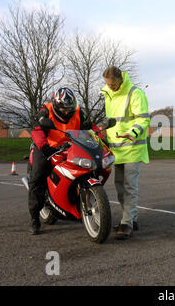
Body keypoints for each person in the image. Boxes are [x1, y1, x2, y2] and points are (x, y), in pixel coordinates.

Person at [28, 87, 97, 235]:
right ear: (56, 105)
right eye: (63, 109)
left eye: (69, 109)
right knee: (37, 177)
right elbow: (37, 130)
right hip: (48, 147)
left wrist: (102, 140)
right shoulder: (45, 111)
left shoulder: (79, 112)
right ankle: (34, 219)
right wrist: (44, 147)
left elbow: (91, 128)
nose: (67, 112)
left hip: (72, 146)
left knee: (89, 166)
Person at [99, 66, 150, 240]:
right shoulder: (108, 93)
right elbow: (113, 118)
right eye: (107, 84)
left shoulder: (135, 93)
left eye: (112, 85)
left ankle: (127, 222)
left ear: (121, 80)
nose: (110, 87)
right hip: (116, 148)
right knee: (120, 187)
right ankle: (132, 219)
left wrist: (133, 132)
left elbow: (143, 119)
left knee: (129, 186)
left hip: (132, 146)